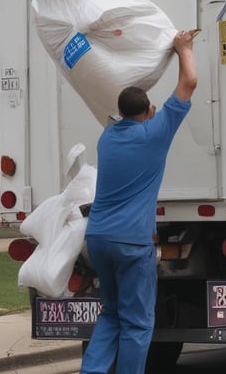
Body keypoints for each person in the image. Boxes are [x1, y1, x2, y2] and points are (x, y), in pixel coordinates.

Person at [80, 29, 199, 374]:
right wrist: (184, 48)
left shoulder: (108, 137)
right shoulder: (154, 135)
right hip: (132, 243)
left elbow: (125, 107)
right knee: (136, 322)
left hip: (99, 238)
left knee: (112, 314)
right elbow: (189, 82)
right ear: (150, 109)